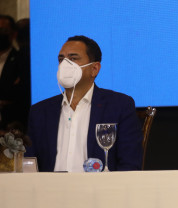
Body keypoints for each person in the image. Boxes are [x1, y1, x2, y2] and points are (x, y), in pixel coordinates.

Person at [26, 35, 143, 172]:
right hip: (50, 185)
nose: (65, 65)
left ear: (94, 69)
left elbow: (130, 164)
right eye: (61, 59)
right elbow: (28, 164)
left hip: (99, 185)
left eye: (73, 59)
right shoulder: (40, 111)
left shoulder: (119, 106)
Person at [0, 15, 30, 130]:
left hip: (11, 126)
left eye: (3, 30)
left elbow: (18, 93)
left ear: (13, 34)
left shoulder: (22, 60)